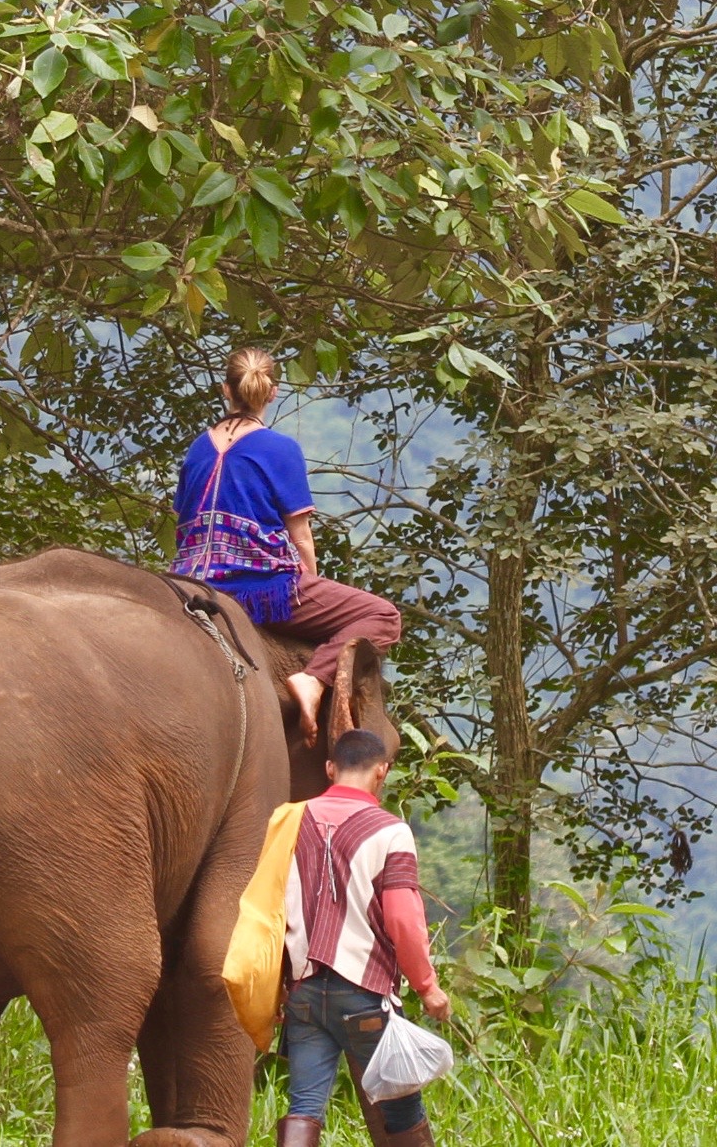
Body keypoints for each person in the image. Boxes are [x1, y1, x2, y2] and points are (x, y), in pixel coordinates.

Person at [171, 348, 403, 736]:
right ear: (273, 392)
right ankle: (314, 678)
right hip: (259, 591)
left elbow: (183, 523)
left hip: (190, 584)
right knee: (384, 616)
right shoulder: (280, 449)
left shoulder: (198, 448)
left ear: (225, 390)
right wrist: (309, 581)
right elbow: (301, 538)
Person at [276, 729, 451, 1147]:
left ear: (330, 769)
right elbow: (403, 920)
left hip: (302, 990)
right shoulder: (391, 832)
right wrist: (427, 988)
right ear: (382, 771)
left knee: (304, 1107)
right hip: (364, 993)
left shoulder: (288, 821)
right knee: (402, 1110)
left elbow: (268, 909)